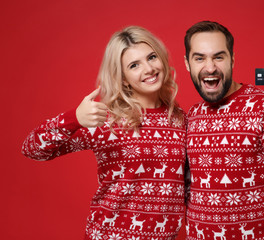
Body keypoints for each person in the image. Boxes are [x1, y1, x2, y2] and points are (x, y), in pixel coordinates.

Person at [22, 26, 187, 240]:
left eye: (152, 57)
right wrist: (74, 119)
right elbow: (32, 148)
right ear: (124, 78)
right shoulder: (107, 119)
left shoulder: (179, 118)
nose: (148, 69)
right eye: (134, 65)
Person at [183, 21, 264, 239]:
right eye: (200, 58)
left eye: (219, 57)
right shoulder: (192, 115)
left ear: (232, 59)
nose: (210, 67)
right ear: (187, 64)